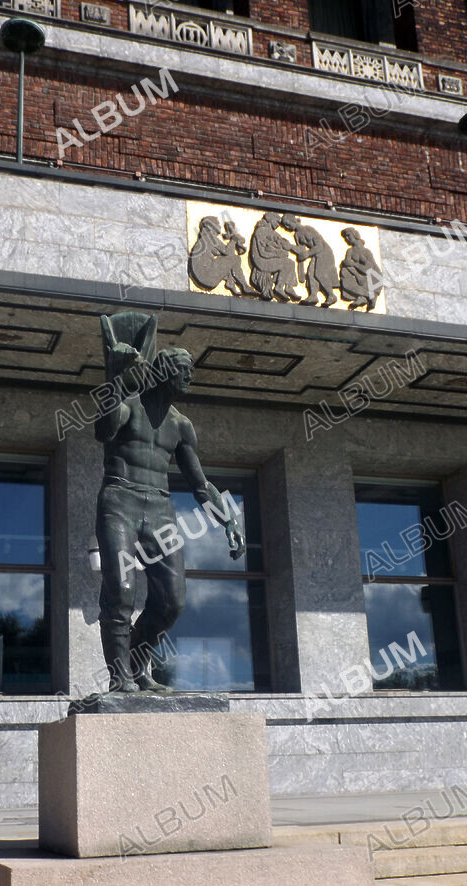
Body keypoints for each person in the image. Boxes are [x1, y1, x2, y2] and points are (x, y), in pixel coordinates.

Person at [95, 336, 245, 693]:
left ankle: (136, 666)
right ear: (163, 372)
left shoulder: (181, 426)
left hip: (160, 508)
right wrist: (115, 378)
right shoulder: (128, 404)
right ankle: (119, 677)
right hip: (120, 500)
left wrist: (228, 518)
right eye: (183, 370)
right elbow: (103, 430)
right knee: (122, 590)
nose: (190, 377)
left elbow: (200, 484)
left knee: (171, 602)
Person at [280, 213, 339, 307]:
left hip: (324, 252)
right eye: (284, 225)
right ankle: (313, 296)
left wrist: (307, 254)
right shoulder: (297, 235)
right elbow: (301, 249)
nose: (287, 227)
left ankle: (331, 295)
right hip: (315, 254)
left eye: (287, 224)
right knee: (310, 274)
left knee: (319, 274)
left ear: (293, 220)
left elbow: (319, 246)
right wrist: (290, 247)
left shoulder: (308, 229)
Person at [249, 212, 302, 302]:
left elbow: (283, 243)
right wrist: (278, 253)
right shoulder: (261, 231)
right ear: (270, 220)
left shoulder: (272, 233)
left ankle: (288, 287)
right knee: (287, 263)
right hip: (262, 260)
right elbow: (262, 252)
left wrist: (287, 248)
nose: (278, 224)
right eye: (277, 221)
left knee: (291, 263)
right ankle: (279, 287)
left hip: (269, 258)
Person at [339, 227, 382, 311]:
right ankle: (364, 296)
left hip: (372, 277)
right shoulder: (350, 251)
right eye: (345, 237)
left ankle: (368, 297)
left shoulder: (366, 251)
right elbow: (347, 263)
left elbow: (368, 268)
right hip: (358, 276)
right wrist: (357, 275)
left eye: (348, 235)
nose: (346, 239)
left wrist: (354, 264)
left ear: (355, 235)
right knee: (344, 270)